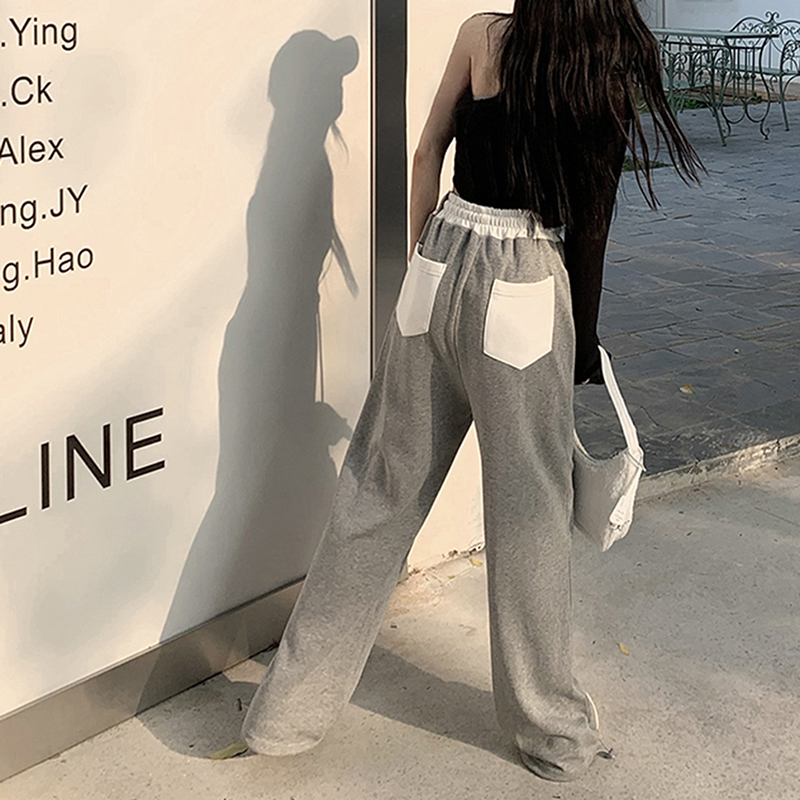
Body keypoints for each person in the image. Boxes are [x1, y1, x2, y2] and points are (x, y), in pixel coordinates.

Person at [241, 0, 702, 782]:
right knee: (530, 514)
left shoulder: (481, 35)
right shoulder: (601, 69)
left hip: (443, 251)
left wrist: (421, 273)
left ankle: (283, 717)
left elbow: (427, 154)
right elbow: (591, 223)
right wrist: (582, 341)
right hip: (524, 278)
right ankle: (551, 734)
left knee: (375, 492)